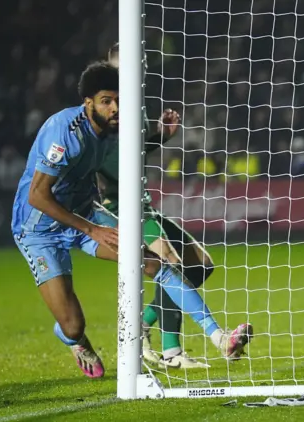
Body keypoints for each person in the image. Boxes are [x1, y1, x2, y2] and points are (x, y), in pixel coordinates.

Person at [11, 61, 253, 378]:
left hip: (84, 216)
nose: (115, 108)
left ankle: (219, 338)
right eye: (106, 101)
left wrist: (161, 137)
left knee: (155, 264)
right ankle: (73, 339)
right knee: (73, 325)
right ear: (88, 104)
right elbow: (37, 196)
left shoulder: (114, 130)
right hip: (39, 229)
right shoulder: (63, 132)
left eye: (119, 100)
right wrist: (93, 229)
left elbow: (131, 152)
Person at [95, 43, 224, 369]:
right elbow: (95, 156)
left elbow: (132, 153)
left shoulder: (135, 105)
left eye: (140, 62)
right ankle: (186, 348)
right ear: (110, 67)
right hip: (118, 204)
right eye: (126, 64)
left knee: (200, 266)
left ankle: (141, 327)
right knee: (169, 263)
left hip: (143, 202)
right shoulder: (103, 107)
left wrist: (160, 136)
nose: (136, 68)